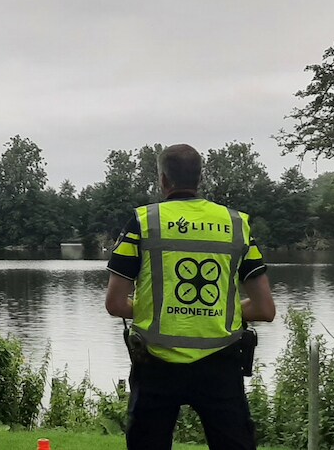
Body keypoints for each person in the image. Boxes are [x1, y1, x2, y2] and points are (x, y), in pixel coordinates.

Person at [104, 144, 276, 450]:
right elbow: (264, 308)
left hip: (155, 363)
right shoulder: (236, 225)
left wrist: (167, 312)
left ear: (163, 180)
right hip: (220, 365)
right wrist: (213, 315)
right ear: (200, 178)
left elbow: (116, 303)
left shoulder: (142, 223)